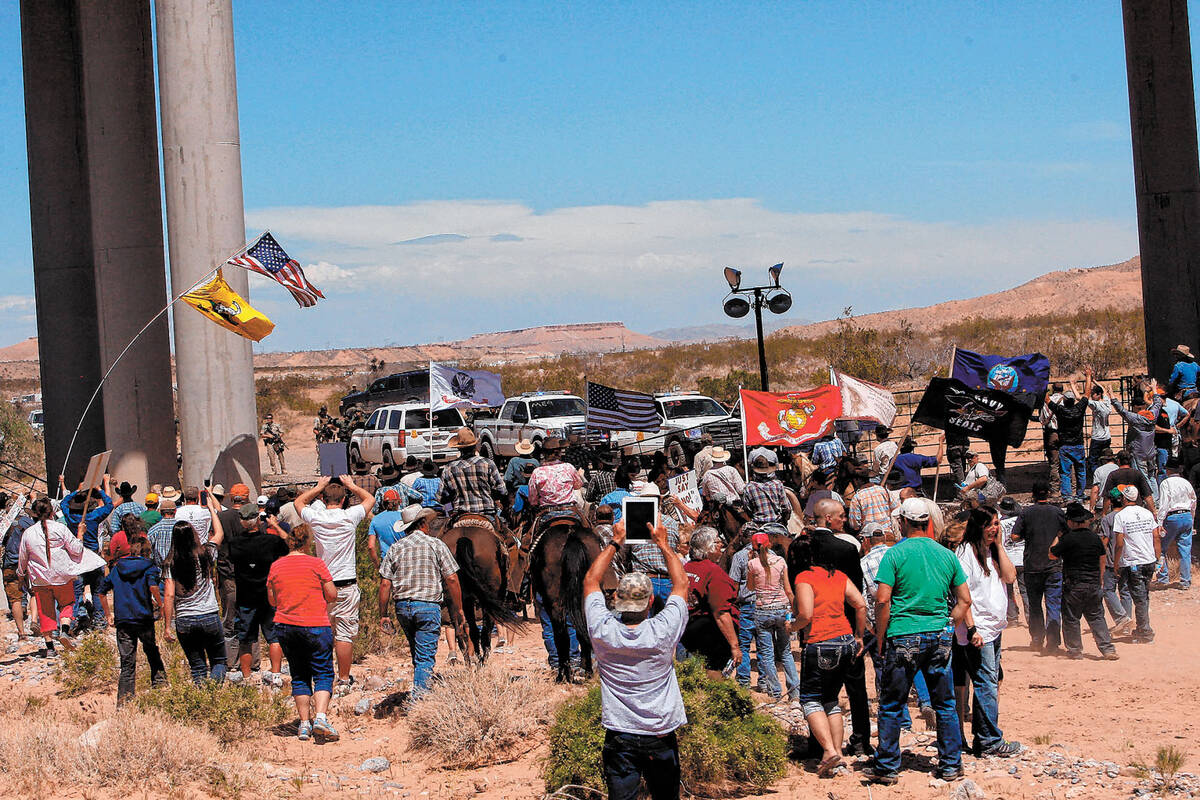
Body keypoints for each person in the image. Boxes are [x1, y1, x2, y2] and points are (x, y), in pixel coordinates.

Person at [583, 518, 688, 800]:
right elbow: (681, 585)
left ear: (616, 599)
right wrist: (664, 545)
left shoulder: (603, 630)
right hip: (659, 734)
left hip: (619, 734)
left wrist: (616, 542)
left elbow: (591, 581)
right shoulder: (663, 630)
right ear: (651, 602)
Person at [868, 498, 970, 785]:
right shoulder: (946, 555)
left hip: (903, 634)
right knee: (945, 703)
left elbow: (883, 599)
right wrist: (949, 626)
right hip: (939, 634)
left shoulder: (893, 555)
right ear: (927, 522)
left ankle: (887, 766)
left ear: (902, 523)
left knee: (891, 703)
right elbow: (964, 600)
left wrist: (881, 637)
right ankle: (951, 763)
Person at [789, 534, 867, 777]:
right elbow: (860, 604)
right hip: (845, 639)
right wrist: (859, 636)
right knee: (831, 699)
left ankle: (829, 750)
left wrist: (791, 627)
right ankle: (836, 755)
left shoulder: (804, 577)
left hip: (821, 641)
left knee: (810, 700)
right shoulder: (838, 575)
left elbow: (806, 614)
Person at [377, 505, 469, 696]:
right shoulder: (435, 544)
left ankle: (421, 687)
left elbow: (385, 584)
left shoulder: (395, 548)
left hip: (402, 605)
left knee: (417, 651)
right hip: (428, 605)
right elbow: (451, 578)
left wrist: (383, 614)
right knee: (426, 655)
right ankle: (419, 699)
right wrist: (459, 608)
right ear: (422, 524)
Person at [295, 475, 374, 692]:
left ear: (324, 498)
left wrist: (317, 486)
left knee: (323, 631)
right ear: (343, 500)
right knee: (344, 634)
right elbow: (369, 500)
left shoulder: (317, 518)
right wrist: (351, 485)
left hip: (322, 584)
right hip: (346, 583)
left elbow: (298, 503)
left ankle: (323, 675)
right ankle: (344, 678)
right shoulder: (349, 516)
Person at [953, 507, 1021, 756]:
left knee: (989, 683)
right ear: (978, 526)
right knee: (986, 684)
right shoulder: (964, 554)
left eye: (997, 524)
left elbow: (1011, 576)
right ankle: (990, 741)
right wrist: (971, 629)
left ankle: (985, 739)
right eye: (990, 524)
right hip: (977, 631)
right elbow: (963, 595)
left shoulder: (992, 551)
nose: (995, 528)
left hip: (994, 628)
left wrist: (1000, 547)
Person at [808, 497, 871, 755]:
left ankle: (818, 742)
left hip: (814, 626)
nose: (845, 521)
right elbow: (857, 595)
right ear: (829, 518)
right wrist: (859, 633)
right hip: (844, 626)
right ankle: (860, 740)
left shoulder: (801, 548)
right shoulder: (846, 549)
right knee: (855, 688)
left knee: (816, 690)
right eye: (841, 516)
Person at [266, 523, 340, 742]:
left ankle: (304, 725)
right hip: (315, 623)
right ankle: (320, 717)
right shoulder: (316, 564)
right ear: (308, 542)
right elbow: (332, 594)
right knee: (323, 672)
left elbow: (272, 599)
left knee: (299, 673)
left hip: (286, 625)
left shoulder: (277, 566)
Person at [162, 491, 227, 683]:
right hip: (208, 613)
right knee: (219, 661)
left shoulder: (170, 563)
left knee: (197, 666)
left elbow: (169, 595)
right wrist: (211, 511)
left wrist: (167, 626)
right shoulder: (205, 555)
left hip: (184, 618)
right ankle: (214, 694)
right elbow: (219, 533)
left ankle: (201, 699)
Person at [100, 533, 165, 704]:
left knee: (127, 662)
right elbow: (152, 586)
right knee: (152, 651)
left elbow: (101, 591)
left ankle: (124, 701)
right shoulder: (149, 567)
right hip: (143, 617)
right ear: (147, 552)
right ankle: (160, 687)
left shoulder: (117, 568)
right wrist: (161, 604)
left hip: (123, 620)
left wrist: (108, 614)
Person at [229, 502, 290, 685]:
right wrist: (275, 525)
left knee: (246, 639)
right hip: (269, 595)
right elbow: (288, 542)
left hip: (246, 596)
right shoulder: (271, 541)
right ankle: (276, 675)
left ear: (242, 522)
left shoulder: (235, 544)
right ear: (258, 520)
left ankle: (247, 677)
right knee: (273, 637)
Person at [18, 497, 86, 658]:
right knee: (67, 604)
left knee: (45, 612)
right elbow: (76, 549)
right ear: (53, 512)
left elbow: (23, 558)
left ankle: (49, 648)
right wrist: (80, 534)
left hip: (40, 579)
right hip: (61, 576)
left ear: (34, 513)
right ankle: (64, 630)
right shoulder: (60, 529)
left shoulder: (28, 533)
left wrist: (21, 576)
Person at [1049, 503, 1118, 660]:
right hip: (1093, 583)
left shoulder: (1067, 539)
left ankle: (1075, 650)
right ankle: (1107, 648)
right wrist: (1100, 578)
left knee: (1071, 618)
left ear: (1071, 522)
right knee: (1097, 617)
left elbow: (1052, 555)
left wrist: (1057, 538)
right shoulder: (1095, 538)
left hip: (1074, 585)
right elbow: (1102, 559)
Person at [1009, 479, 1066, 653]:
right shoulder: (1057, 512)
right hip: (1053, 565)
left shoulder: (1026, 513)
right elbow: (1065, 532)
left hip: (1032, 566)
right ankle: (1053, 642)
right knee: (1053, 604)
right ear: (1048, 493)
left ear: (1033, 495)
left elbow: (1014, 536)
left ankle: (1036, 638)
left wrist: (1029, 534)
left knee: (1034, 605)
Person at [746, 531, 798, 701]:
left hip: (763, 611)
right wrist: (793, 609)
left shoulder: (752, 564)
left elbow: (751, 587)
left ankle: (776, 692)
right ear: (769, 544)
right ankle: (794, 692)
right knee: (786, 652)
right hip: (782, 609)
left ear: (754, 546)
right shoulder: (781, 561)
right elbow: (788, 589)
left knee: (767, 654)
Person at [58, 473, 115, 630]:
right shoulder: (93, 516)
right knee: (97, 591)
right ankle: (99, 621)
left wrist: (77, 492)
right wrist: (99, 489)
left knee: (76, 593)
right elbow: (109, 505)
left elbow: (63, 503)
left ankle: (73, 622)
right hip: (93, 557)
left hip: (76, 558)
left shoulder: (71, 518)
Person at [680, 527, 740, 674]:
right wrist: (734, 646)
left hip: (687, 631)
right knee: (714, 673)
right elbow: (721, 612)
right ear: (708, 547)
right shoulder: (713, 572)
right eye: (718, 542)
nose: (722, 545)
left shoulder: (687, 568)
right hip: (709, 634)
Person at [1111, 484, 1160, 643]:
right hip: (1149, 560)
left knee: (1139, 598)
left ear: (1124, 498)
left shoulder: (1121, 516)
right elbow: (1156, 537)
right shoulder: (1147, 513)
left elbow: (1119, 544)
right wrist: (1157, 558)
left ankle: (1145, 632)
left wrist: (1116, 563)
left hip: (1134, 562)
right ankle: (1141, 627)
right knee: (1144, 595)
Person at [436, 428, 506, 523]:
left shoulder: (448, 468)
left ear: (459, 448)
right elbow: (502, 490)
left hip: (460, 516)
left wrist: (450, 509)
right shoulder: (488, 464)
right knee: (506, 535)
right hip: (487, 515)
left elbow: (441, 498)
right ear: (475, 446)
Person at [1111, 382, 1165, 503]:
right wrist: (1154, 389)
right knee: (1151, 475)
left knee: (1143, 477)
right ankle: (1156, 499)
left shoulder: (1135, 419)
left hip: (1138, 453)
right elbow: (1157, 403)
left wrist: (1112, 397)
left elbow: (1122, 411)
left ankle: (1148, 499)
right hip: (1151, 452)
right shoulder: (1153, 416)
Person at [214, 483, 250, 642]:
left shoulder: (222, 517)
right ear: (246, 498)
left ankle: (229, 637)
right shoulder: (250, 517)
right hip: (247, 568)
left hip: (226, 567)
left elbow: (214, 540)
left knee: (229, 604)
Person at [724, 533, 758, 690]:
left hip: (746, 604)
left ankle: (743, 680)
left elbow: (734, 583)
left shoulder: (739, 556)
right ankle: (766, 682)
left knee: (744, 644)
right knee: (765, 647)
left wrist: (731, 602)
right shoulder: (772, 555)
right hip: (765, 604)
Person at [1155, 459, 1195, 589]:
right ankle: (1185, 581)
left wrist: (1159, 522)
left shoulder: (1165, 483)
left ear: (1168, 470)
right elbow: (1193, 501)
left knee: (1160, 548)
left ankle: (1163, 578)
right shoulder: (1186, 482)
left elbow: (1164, 504)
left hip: (1172, 517)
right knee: (1185, 551)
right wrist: (1192, 520)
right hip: (1187, 516)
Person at [1047, 378, 1088, 502]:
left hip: (1065, 445)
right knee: (1081, 471)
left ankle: (1067, 496)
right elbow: (1086, 394)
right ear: (1074, 400)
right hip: (1078, 444)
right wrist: (1089, 376)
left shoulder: (1061, 410)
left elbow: (1047, 400)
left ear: (1064, 400)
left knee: (1065, 472)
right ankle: (1080, 494)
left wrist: (1042, 382)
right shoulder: (1079, 409)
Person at [2, 500, 35, 640]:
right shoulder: (29, 523)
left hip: (10, 564)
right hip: (28, 562)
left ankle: (21, 632)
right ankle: (34, 620)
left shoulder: (4, 524)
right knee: (34, 592)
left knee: (15, 599)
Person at [741, 447, 790, 529]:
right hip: (777, 523)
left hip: (759, 526)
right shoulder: (778, 484)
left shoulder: (749, 487)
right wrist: (784, 521)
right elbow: (786, 508)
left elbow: (748, 509)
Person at [528, 438, 583, 510]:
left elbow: (533, 499)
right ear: (559, 453)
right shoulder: (569, 467)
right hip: (569, 508)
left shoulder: (537, 472)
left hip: (547, 510)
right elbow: (578, 486)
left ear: (544, 454)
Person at [999, 497, 1029, 626]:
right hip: (1023, 558)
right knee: (1025, 590)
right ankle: (1030, 617)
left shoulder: (999, 523)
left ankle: (1012, 618)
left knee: (1008, 590)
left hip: (1008, 560)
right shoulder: (1022, 520)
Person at [1084, 368, 1113, 486]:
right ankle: (1106, 477)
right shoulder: (1107, 402)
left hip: (1097, 437)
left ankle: (1097, 479)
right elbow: (1105, 390)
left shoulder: (1095, 404)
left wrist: (1088, 378)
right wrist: (1095, 381)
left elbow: (1082, 399)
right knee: (1105, 456)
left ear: (1098, 395)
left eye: (1093, 394)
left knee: (1093, 460)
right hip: (1107, 436)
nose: (1091, 396)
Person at [847, 471, 894, 537]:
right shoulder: (884, 490)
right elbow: (895, 509)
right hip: (888, 532)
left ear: (857, 480)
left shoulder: (857, 497)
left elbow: (854, 525)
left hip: (868, 535)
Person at [367, 491, 406, 568]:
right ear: (398, 502)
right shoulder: (404, 517)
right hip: (404, 559)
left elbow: (371, 546)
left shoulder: (375, 519)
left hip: (386, 561)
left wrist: (377, 566)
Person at [1041, 382, 1064, 497]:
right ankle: (1068, 489)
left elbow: (1042, 419)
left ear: (1053, 389)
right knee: (1066, 460)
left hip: (1052, 433)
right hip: (1065, 433)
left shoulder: (1046, 402)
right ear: (1062, 389)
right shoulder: (1066, 400)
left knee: (1054, 462)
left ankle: (1055, 489)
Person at [147, 498, 177, 567]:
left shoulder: (153, 530)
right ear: (175, 511)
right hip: (178, 571)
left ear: (160, 512)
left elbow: (149, 553)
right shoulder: (181, 527)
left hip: (160, 571)